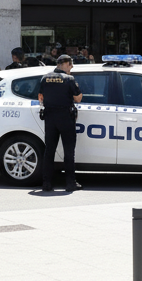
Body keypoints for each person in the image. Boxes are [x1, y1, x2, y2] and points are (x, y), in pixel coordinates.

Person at [38, 54, 83, 192]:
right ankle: (70, 183)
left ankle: (46, 184)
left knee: (49, 151)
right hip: (65, 117)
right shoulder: (69, 79)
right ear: (64, 64)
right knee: (69, 152)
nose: (72, 67)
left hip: (50, 117)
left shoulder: (45, 78)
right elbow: (78, 99)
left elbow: (40, 97)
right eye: (71, 64)